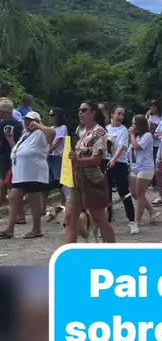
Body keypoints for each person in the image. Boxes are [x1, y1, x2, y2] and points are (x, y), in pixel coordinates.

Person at [66, 100, 115, 244]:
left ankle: (113, 250)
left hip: (91, 179)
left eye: (83, 110)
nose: (80, 113)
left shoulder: (99, 132)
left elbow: (96, 159)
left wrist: (77, 160)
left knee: (99, 218)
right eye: (79, 110)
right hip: (78, 178)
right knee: (70, 217)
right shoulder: (82, 131)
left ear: (92, 113)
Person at [0, 111, 54, 240]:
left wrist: (38, 125)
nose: (27, 122)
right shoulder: (25, 135)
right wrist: (11, 140)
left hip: (34, 172)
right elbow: (18, 151)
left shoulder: (41, 133)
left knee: (33, 199)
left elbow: (52, 134)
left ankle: (36, 228)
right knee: (13, 196)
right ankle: (9, 229)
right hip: (21, 173)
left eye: (30, 120)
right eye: (26, 120)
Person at [106, 105, 137, 233]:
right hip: (106, 162)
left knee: (123, 192)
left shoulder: (123, 130)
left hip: (120, 163)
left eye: (123, 114)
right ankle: (106, 223)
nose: (120, 117)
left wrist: (114, 159)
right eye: (118, 114)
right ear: (112, 114)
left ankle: (132, 221)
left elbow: (122, 146)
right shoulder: (105, 129)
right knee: (106, 193)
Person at [129, 114, 160, 233]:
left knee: (140, 194)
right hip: (135, 167)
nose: (132, 126)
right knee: (134, 193)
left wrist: (132, 135)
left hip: (145, 168)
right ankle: (152, 211)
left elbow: (137, 147)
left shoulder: (147, 136)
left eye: (134, 124)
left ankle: (137, 220)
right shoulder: (136, 136)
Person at [0, 98, 23, 207]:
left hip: (4, 155)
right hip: (16, 155)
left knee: (4, 180)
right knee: (12, 181)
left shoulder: (1, 124)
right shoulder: (19, 124)